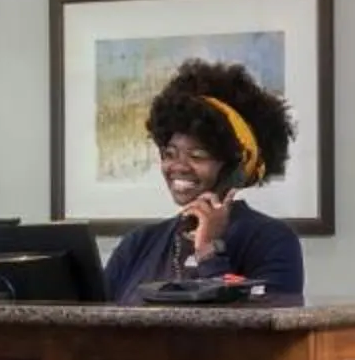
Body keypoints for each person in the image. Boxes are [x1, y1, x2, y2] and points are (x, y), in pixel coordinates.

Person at [103, 57, 306, 302]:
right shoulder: (137, 244)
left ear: (236, 168)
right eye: (170, 153)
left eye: (197, 155)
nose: (178, 166)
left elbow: (261, 334)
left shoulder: (271, 241)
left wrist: (209, 252)